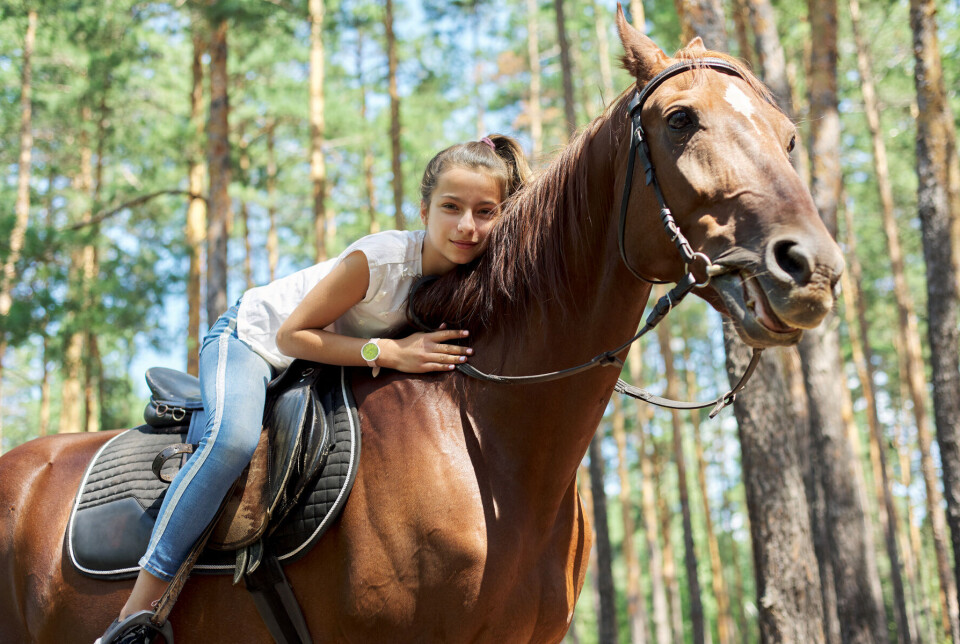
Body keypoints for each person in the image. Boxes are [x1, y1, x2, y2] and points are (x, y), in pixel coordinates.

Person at [96, 134, 531, 642]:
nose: (467, 226)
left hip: (319, 364)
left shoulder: (472, 275)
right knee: (231, 442)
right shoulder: (381, 260)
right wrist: (390, 353)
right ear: (424, 209)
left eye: (485, 212)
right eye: (450, 207)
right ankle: (135, 615)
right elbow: (291, 335)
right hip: (253, 339)